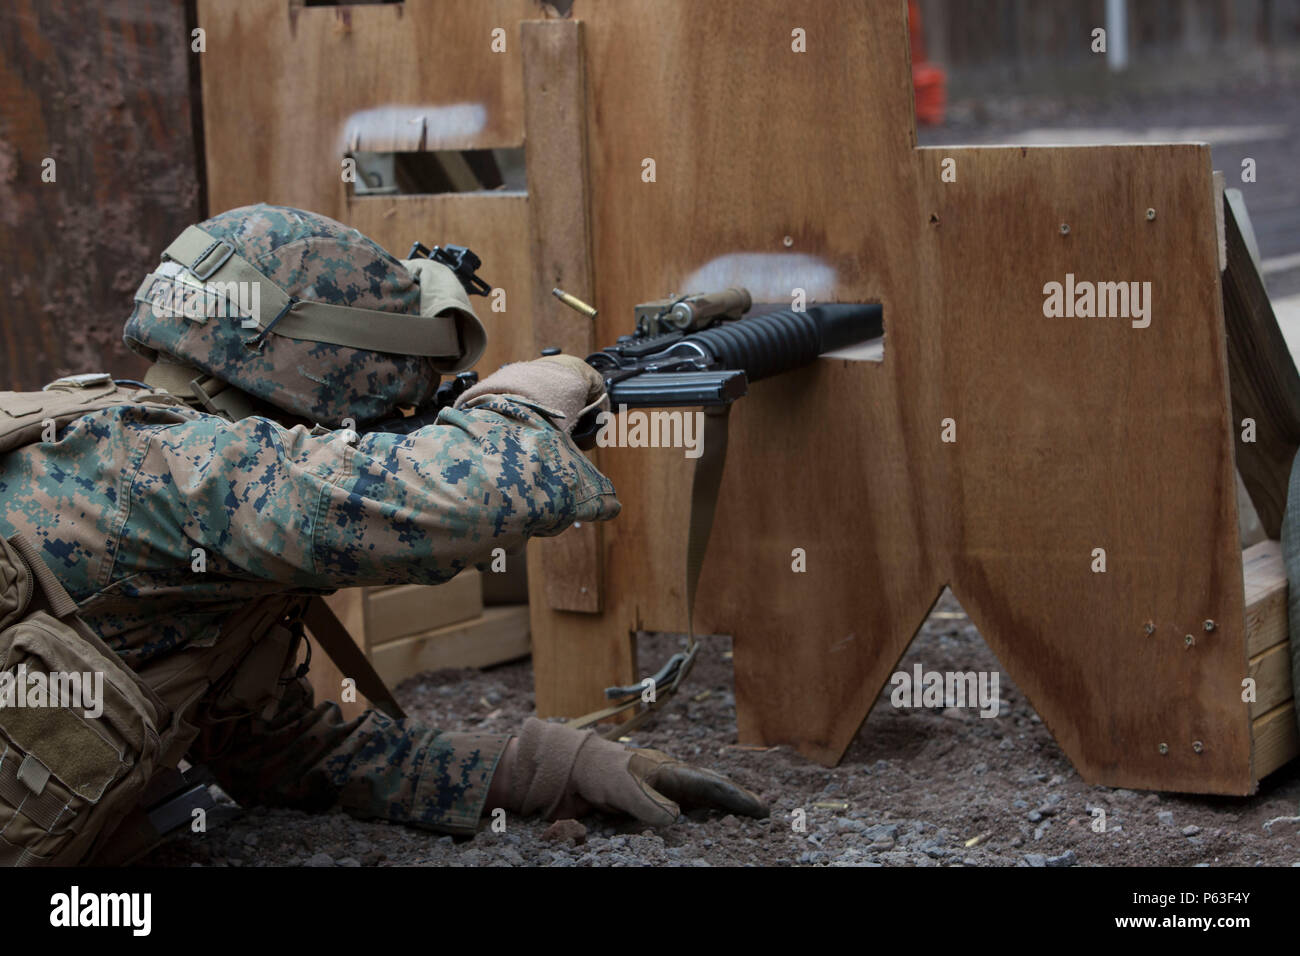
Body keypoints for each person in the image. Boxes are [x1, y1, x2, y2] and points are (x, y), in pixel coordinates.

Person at [0, 203, 766, 866]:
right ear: (309, 358)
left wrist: (542, 768)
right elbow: (451, 501)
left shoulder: (137, 458)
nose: (390, 425)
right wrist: (530, 406)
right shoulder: (164, 469)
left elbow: (282, 753)